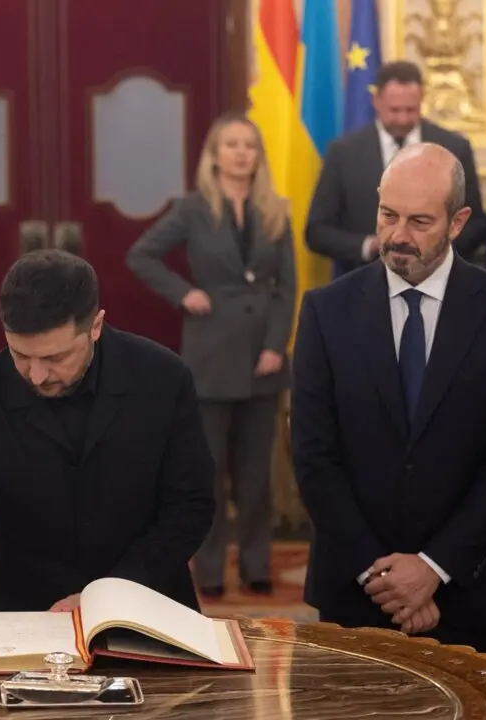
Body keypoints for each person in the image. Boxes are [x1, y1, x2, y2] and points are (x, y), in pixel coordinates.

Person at [290, 143, 486, 660]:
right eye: (388, 215)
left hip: (472, 590)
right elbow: (314, 456)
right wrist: (381, 577)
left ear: (458, 222)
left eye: (420, 221)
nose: (398, 236)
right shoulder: (325, 311)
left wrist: (433, 567)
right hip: (357, 593)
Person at [0, 249, 215, 616]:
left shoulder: (162, 378)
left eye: (55, 358)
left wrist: (109, 593)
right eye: (20, 355)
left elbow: (190, 506)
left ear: (96, 326)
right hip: (30, 612)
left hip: (148, 597)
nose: (36, 375)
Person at [126, 112, 295, 598]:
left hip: (263, 358)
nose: (241, 153)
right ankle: (212, 567)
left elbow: (288, 285)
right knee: (209, 473)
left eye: (250, 145)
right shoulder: (193, 208)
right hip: (211, 355)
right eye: (232, 144)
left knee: (256, 475)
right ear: (215, 155)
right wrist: (183, 292)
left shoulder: (275, 208)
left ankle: (257, 563)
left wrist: (275, 345)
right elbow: (141, 255)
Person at [307, 61, 486, 273]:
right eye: (395, 110)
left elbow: (475, 225)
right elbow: (317, 231)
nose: (402, 119)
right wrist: (369, 245)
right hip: (364, 279)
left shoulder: (454, 148)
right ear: (376, 101)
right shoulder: (343, 153)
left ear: (421, 100)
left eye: (411, 110)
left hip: (439, 278)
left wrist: (432, 247)